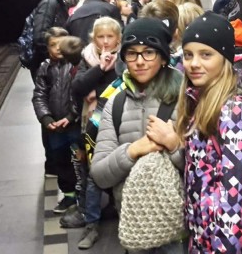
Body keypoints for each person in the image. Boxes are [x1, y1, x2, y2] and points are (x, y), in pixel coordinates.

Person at [176, 11, 242, 253]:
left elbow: (238, 199)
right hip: (205, 239)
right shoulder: (199, 102)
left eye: (206, 54)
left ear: (225, 59)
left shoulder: (236, 112)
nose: (194, 63)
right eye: (188, 55)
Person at [89, 18, 185, 253]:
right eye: (132, 53)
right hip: (135, 224)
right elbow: (99, 175)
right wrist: (132, 151)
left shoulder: (186, 100)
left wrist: (174, 145)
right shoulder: (115, 104)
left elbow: (208, 170)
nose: (140, 61)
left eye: (149, 52)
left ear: (164, 57)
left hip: (181, 227)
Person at [61, 18, 122, 248]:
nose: (105, 42)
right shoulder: (87, 58)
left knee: (120, 169)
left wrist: (100, 86)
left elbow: (124, 84)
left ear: (118, 38)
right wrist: (100, 68)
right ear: (93, 39)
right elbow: (78, 86)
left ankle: (123, 218)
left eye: (110, 37)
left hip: (118, 120)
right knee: (93, 173)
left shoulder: (124, 59)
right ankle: (91, 224)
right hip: (93, 123)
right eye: (100, 37)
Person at [32, 27, 81, 214]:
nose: (58, 48)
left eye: (62, 44)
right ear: (47, 48)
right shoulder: (45, 68)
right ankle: (69, 195)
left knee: (81, 159)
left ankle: (85, 194)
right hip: (55, 126)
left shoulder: (77, 65)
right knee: (61, 160)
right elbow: (39, 95)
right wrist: (46, 118)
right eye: (53, 45)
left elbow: (80, 94)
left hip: (75, 123)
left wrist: (72, 116)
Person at [29, 0, 76, 78]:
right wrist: (54, 57)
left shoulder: (57, 0)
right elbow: (40, 36)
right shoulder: (50, 1)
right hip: (48, 66)